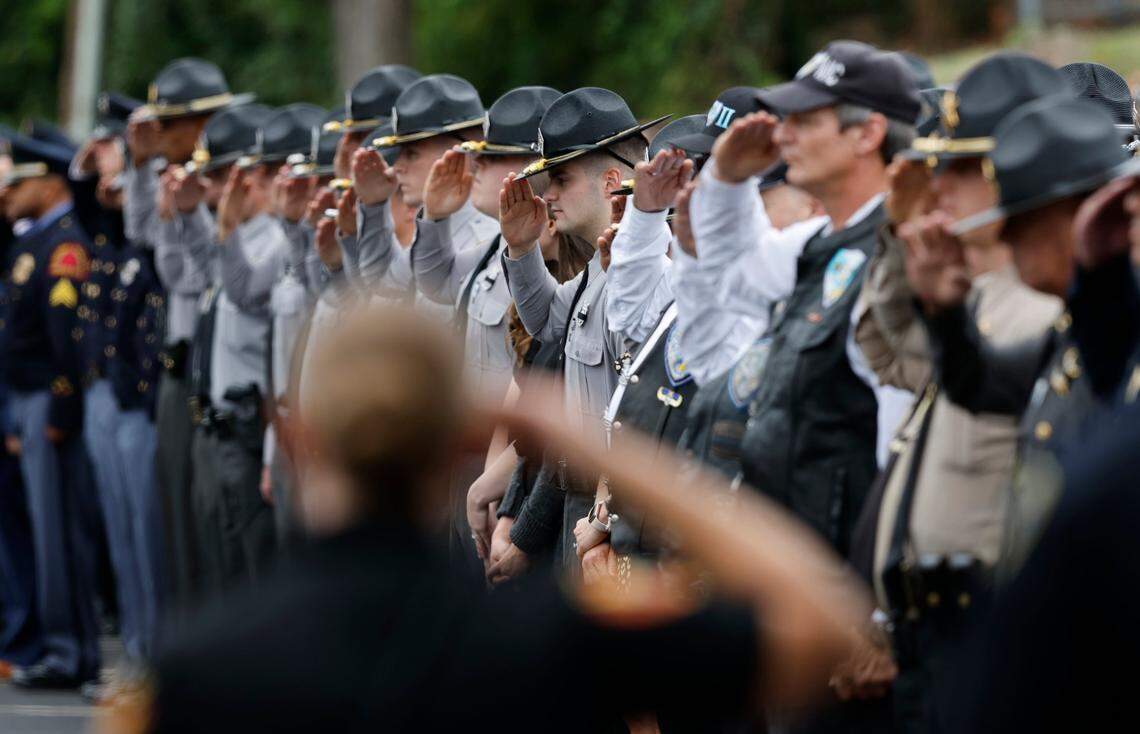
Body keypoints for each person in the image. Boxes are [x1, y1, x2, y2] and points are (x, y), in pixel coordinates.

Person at [117, 302, 871, 734]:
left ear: (298, 438)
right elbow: (823, 619)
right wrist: (587, 439)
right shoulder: (559, 635)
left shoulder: (193, 672)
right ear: (465, 441)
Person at [854, 52, 1067, 734]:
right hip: (926, 638)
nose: (938, 184)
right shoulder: (971, 303)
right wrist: (902, 236)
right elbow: (888, 349)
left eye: (963, 167)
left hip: (989, 636)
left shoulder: (1047, 313)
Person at [904, 94, 1139, 576]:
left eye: (1017, 224)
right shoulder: (1076, 333)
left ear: (1073, 220)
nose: (1005, 242)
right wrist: (945, 315)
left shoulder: (1114, 335)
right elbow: (980, 385)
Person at [498, 86, 665, 573]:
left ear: (612, 179)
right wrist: (522, 248)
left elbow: (640, 420)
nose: (547, 195)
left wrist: (609, 523)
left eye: (561, 178)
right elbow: (549, 323)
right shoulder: (599, 263)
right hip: (580, 507)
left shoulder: (644, 269)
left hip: (616, 513)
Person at [0, 132, 102, 689]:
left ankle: (71, 652)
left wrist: (60, 409)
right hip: (27, 399)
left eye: (21, 180)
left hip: (48, 399)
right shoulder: (34, 241)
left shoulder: (65, 245)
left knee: (60, 531)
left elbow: (67, 339)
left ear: (51, 182)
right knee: (47, 531)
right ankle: (64, 649)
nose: (11, 191)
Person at [351, 73, 497, 319]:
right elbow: (382, 281)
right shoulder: (438, 230)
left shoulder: (484, 237)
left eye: (412, 154)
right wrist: (374, 205)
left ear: (461, 151)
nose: (397, 167)